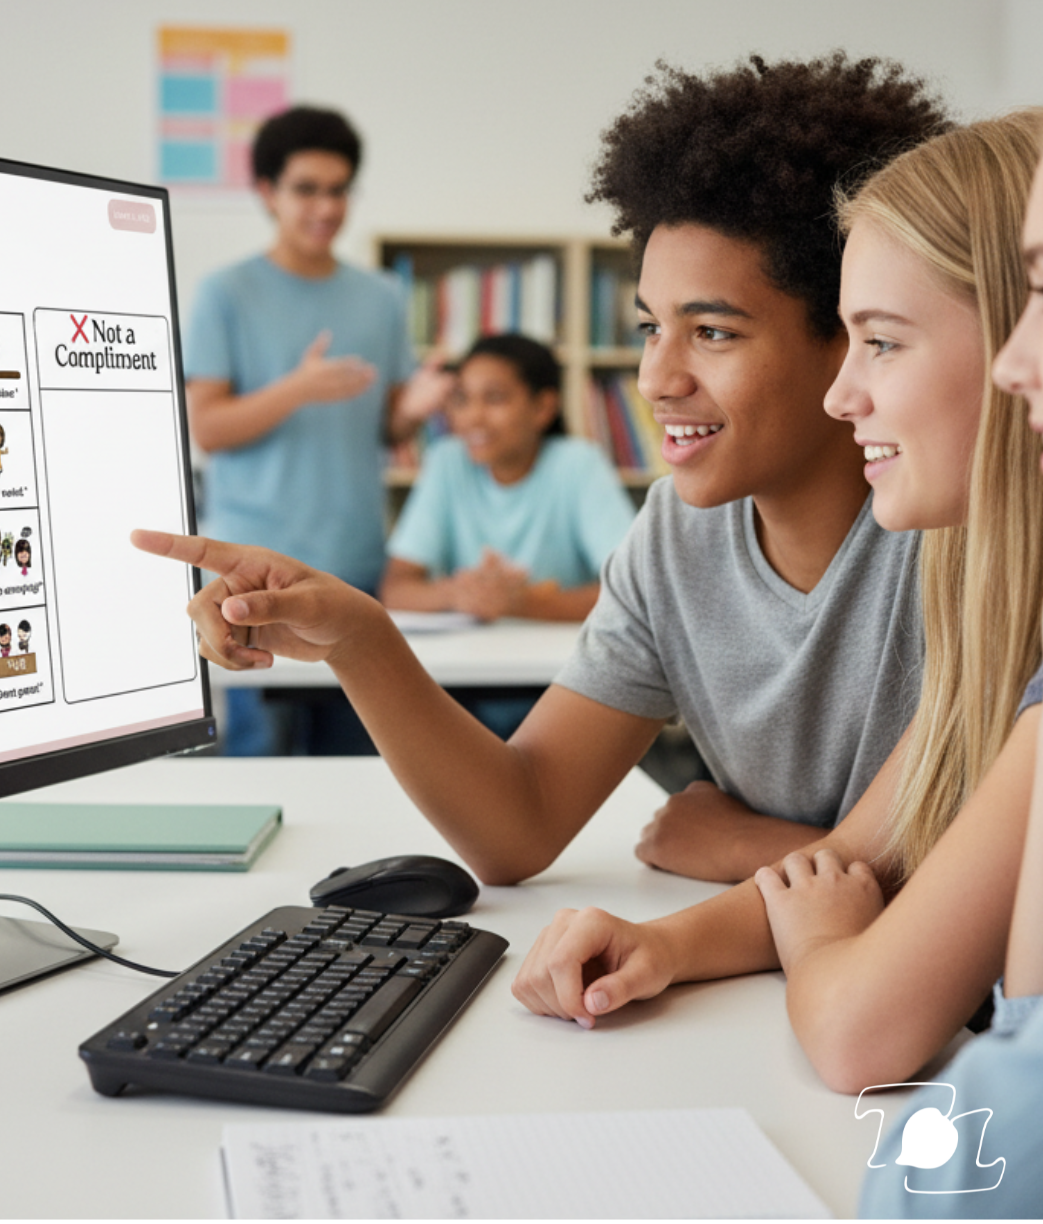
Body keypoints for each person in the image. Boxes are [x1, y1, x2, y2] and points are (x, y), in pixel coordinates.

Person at [134, 52, 948, 886]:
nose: (654, 381)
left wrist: (742, 847)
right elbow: (517, 828)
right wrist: (360, 637)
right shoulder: (675, 535)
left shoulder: (953, 542)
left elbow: (977, 871)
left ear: (851, 339)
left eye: (712, 332)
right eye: (647, 329)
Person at [501, 115, 1043, 1086]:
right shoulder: (985, 610)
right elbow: (861, 860)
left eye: (879, 341)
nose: (845, 397)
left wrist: (792, 899)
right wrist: (666, 946)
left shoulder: (970, 589)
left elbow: (859, 1032)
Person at [857, 128, 1043, 1220]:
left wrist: (823, 924)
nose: (1022, 360)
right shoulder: (971, 602)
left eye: (879, 341)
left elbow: (958, 1177)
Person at [184, 105, 450, 755]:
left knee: (362, 757)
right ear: (268, 193)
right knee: (259, 759)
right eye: (307, 188)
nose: (326, 206)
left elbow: (386, 426)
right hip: (251, 573)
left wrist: (415, 408)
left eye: (339, 189)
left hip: (352, 566)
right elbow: (207, 429)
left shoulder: (382, 296)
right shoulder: (225, 293)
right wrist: (296, 389)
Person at [381, 334, 634, 624]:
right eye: (462, 399)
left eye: (495, 398)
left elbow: (631, 592)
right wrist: (460, 594)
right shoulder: (447, 461)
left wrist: (522, 603)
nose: (473, 417)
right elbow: (395, 590)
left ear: (543, 408)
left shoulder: (578, 463)